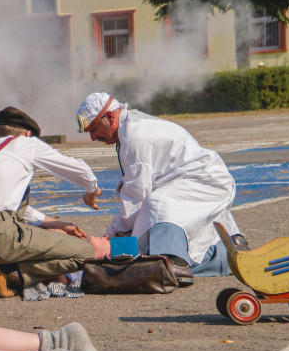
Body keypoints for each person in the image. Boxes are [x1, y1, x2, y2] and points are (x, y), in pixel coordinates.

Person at [76, 92, 244, 281]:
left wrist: (113, 237)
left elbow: (136, 197)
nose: (92, 137)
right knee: (159, 218)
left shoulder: (134, 138)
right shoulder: (130, 126)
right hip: (198, 180)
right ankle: (227, 251)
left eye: (94, 129)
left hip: (204, 181)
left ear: (110, 117)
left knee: (158, 206)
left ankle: (172, 265)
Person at [0, 107, 108, 297]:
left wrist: (50, 223)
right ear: (27, 134)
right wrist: (92, 189)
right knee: (85, 253)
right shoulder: (26, 144)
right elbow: (79, 170)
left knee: (18, 193)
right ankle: (10, 274)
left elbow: (2, 204)